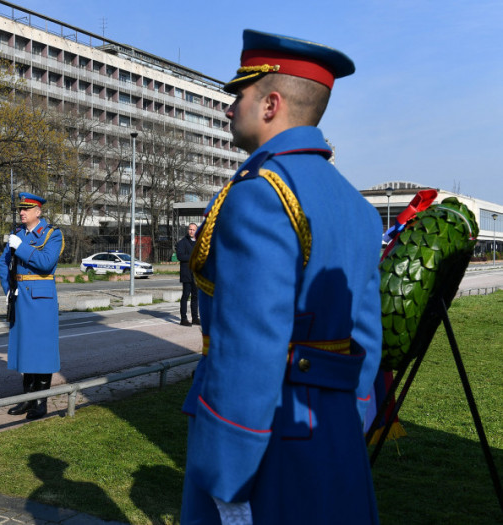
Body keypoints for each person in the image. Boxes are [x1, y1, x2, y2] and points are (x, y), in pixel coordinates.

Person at [180, 30, 382, 525]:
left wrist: (227, 477)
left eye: (239, 95)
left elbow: (248, 347)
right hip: (335, 433)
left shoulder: (259, 193)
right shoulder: (357, 206)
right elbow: (367, 341)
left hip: (267, 445)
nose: (230, 108)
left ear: (271, 104)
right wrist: (349, 419)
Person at [0, 192, 63, 420]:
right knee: (25, 348)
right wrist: (8, 288)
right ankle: (26, 399)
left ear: (38, 212)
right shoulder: (17, 234)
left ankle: (40, 402)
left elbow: (46, 263)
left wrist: (22, 247)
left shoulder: (53, 235)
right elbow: (3, 264)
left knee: (40, 349)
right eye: (20, 209)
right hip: (20, 296)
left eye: (26, 209)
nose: (21, 213)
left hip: (41, 297)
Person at [175, 223, 199, 326]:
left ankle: (195, 318)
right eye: (190, 229)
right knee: (185, 296)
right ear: (187, 230)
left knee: (195, 296)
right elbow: (180, 256)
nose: (191, 231)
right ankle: (183, 319)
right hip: (187, 274)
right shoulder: (182, 242)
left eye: (193, 230)